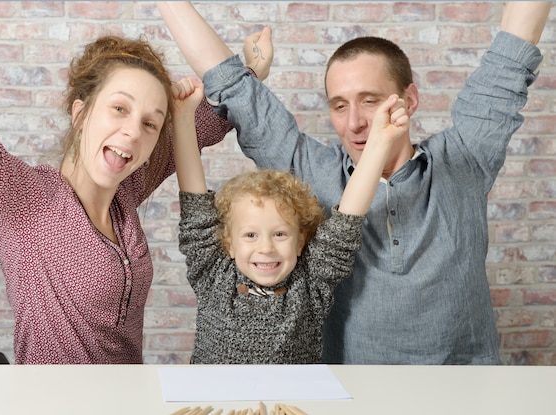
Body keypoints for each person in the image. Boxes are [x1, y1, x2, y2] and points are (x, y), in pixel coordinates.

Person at [157, 2, 551, 364]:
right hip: (350, 393)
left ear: (409, 100)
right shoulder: (313, 173)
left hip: (466, 389)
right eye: (340, 105)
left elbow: (509, 61)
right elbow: (231, 84)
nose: (356, 122)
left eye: (370, 100)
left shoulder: (463, 158)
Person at [0, 35, 237, 364]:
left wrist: (247, 71)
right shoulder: (25, 199)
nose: (134, 131)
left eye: (150, 123)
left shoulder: (126, 191)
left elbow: (214, 114)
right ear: (80, 114)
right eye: (119, 108)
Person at [170, 74, 407, 363]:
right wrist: (182, 120)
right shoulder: (213, 274)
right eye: (250, 235)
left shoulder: (311, 283)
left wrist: (379, 144)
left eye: (280, 234)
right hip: (217, 407)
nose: (266, 248)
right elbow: (195, 206)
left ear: (300, 241)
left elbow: (347, 222)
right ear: (229, 244)